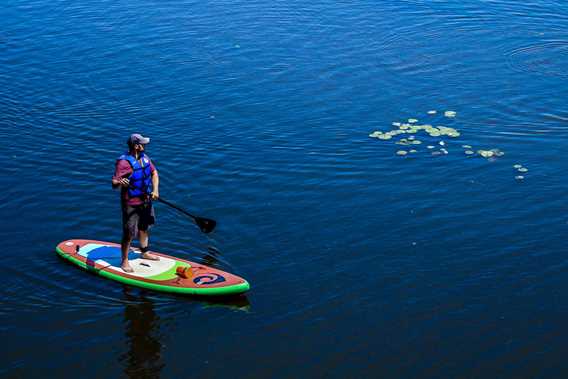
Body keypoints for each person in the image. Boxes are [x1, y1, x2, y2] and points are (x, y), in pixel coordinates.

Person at [112, 133, 160, 272]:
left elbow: (154, 173)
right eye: (143, 143)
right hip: (131, 203)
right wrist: (121, 182)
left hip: (145, 199)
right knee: (129, 233)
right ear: (136, 146)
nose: (145, 145)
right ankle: (124, 261)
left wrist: (155, 190)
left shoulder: (145, 158)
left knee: (144, 227)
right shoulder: (123, 162)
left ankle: (144, 252)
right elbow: (114, 183)